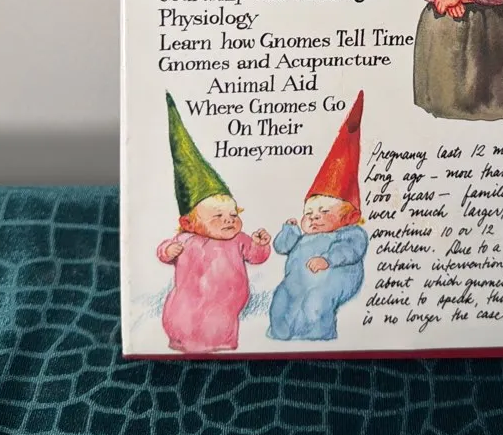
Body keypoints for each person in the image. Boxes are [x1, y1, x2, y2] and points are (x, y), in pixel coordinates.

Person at [157, 93, 270, 353]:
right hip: (188, 300)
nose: (229, 220)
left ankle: (221, 344)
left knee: (218, 325)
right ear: (188, 222)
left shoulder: (239, 239)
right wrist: (168, 251)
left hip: (225, 305)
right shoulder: (184, 239)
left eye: (233, 214)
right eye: (218, 216)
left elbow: (256, 257)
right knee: (183, 320)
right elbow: (163, 251)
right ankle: (180, 341)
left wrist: (261, 245)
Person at [268, 92, 368, 341]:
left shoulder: (350, 232)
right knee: (280, 300)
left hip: (332, 277)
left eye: (324, 212)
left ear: (348, 216)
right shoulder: (304, 235)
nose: (314, 218)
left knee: (317, 303)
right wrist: (290, 231)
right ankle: (279, 334)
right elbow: (281, 247)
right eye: (309, 213)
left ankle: (319, 336)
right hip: (296, 281)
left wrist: (328, 259)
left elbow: (352, 250)